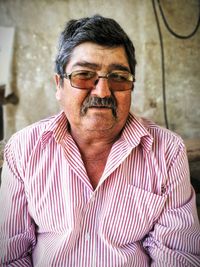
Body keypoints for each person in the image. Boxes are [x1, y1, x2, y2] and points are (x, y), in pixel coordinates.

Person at [0, 14, 199, 267]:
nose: (103, 91)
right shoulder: (23, 149)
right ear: (59, 85)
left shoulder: (166, 151)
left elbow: (177, 256)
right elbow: (10, 255)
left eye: (118, 77)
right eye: (84, 75)